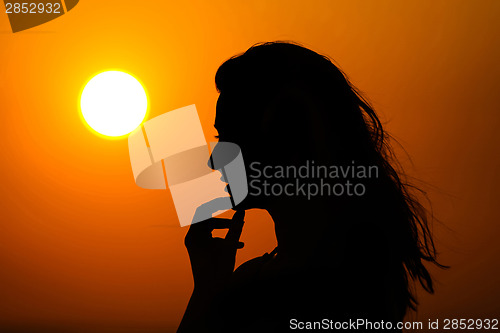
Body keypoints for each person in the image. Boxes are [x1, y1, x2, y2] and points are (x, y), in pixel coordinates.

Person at [177, 41, 445, 332]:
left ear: (285, 137)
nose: (215, 161)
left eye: (229, 138)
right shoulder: (357, 277)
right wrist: (209, 287)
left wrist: (209, 298)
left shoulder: (316, 296)